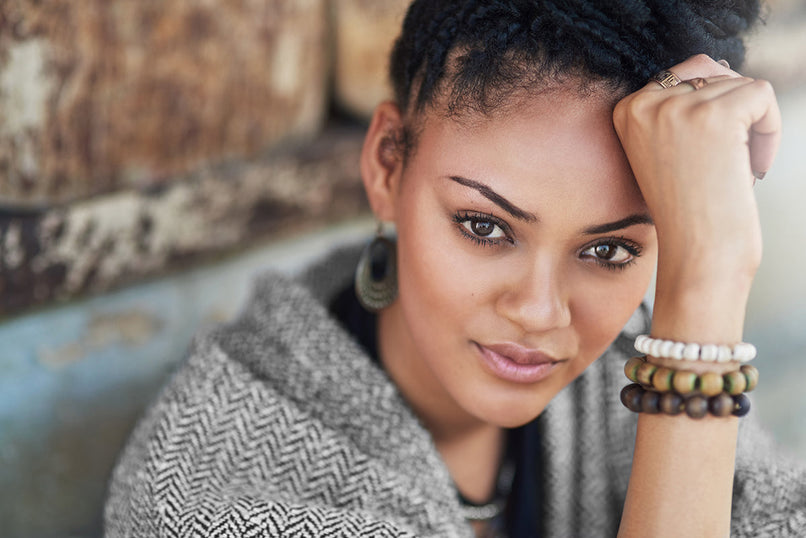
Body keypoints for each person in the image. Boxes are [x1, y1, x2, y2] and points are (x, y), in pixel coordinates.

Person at [105, 1, 806, 536]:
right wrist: (705, 295)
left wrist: (703, 281)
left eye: (608, 251)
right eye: (484, 227)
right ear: (387, 164)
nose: (539, 312)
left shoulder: (624, 373)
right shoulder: (217, 501)